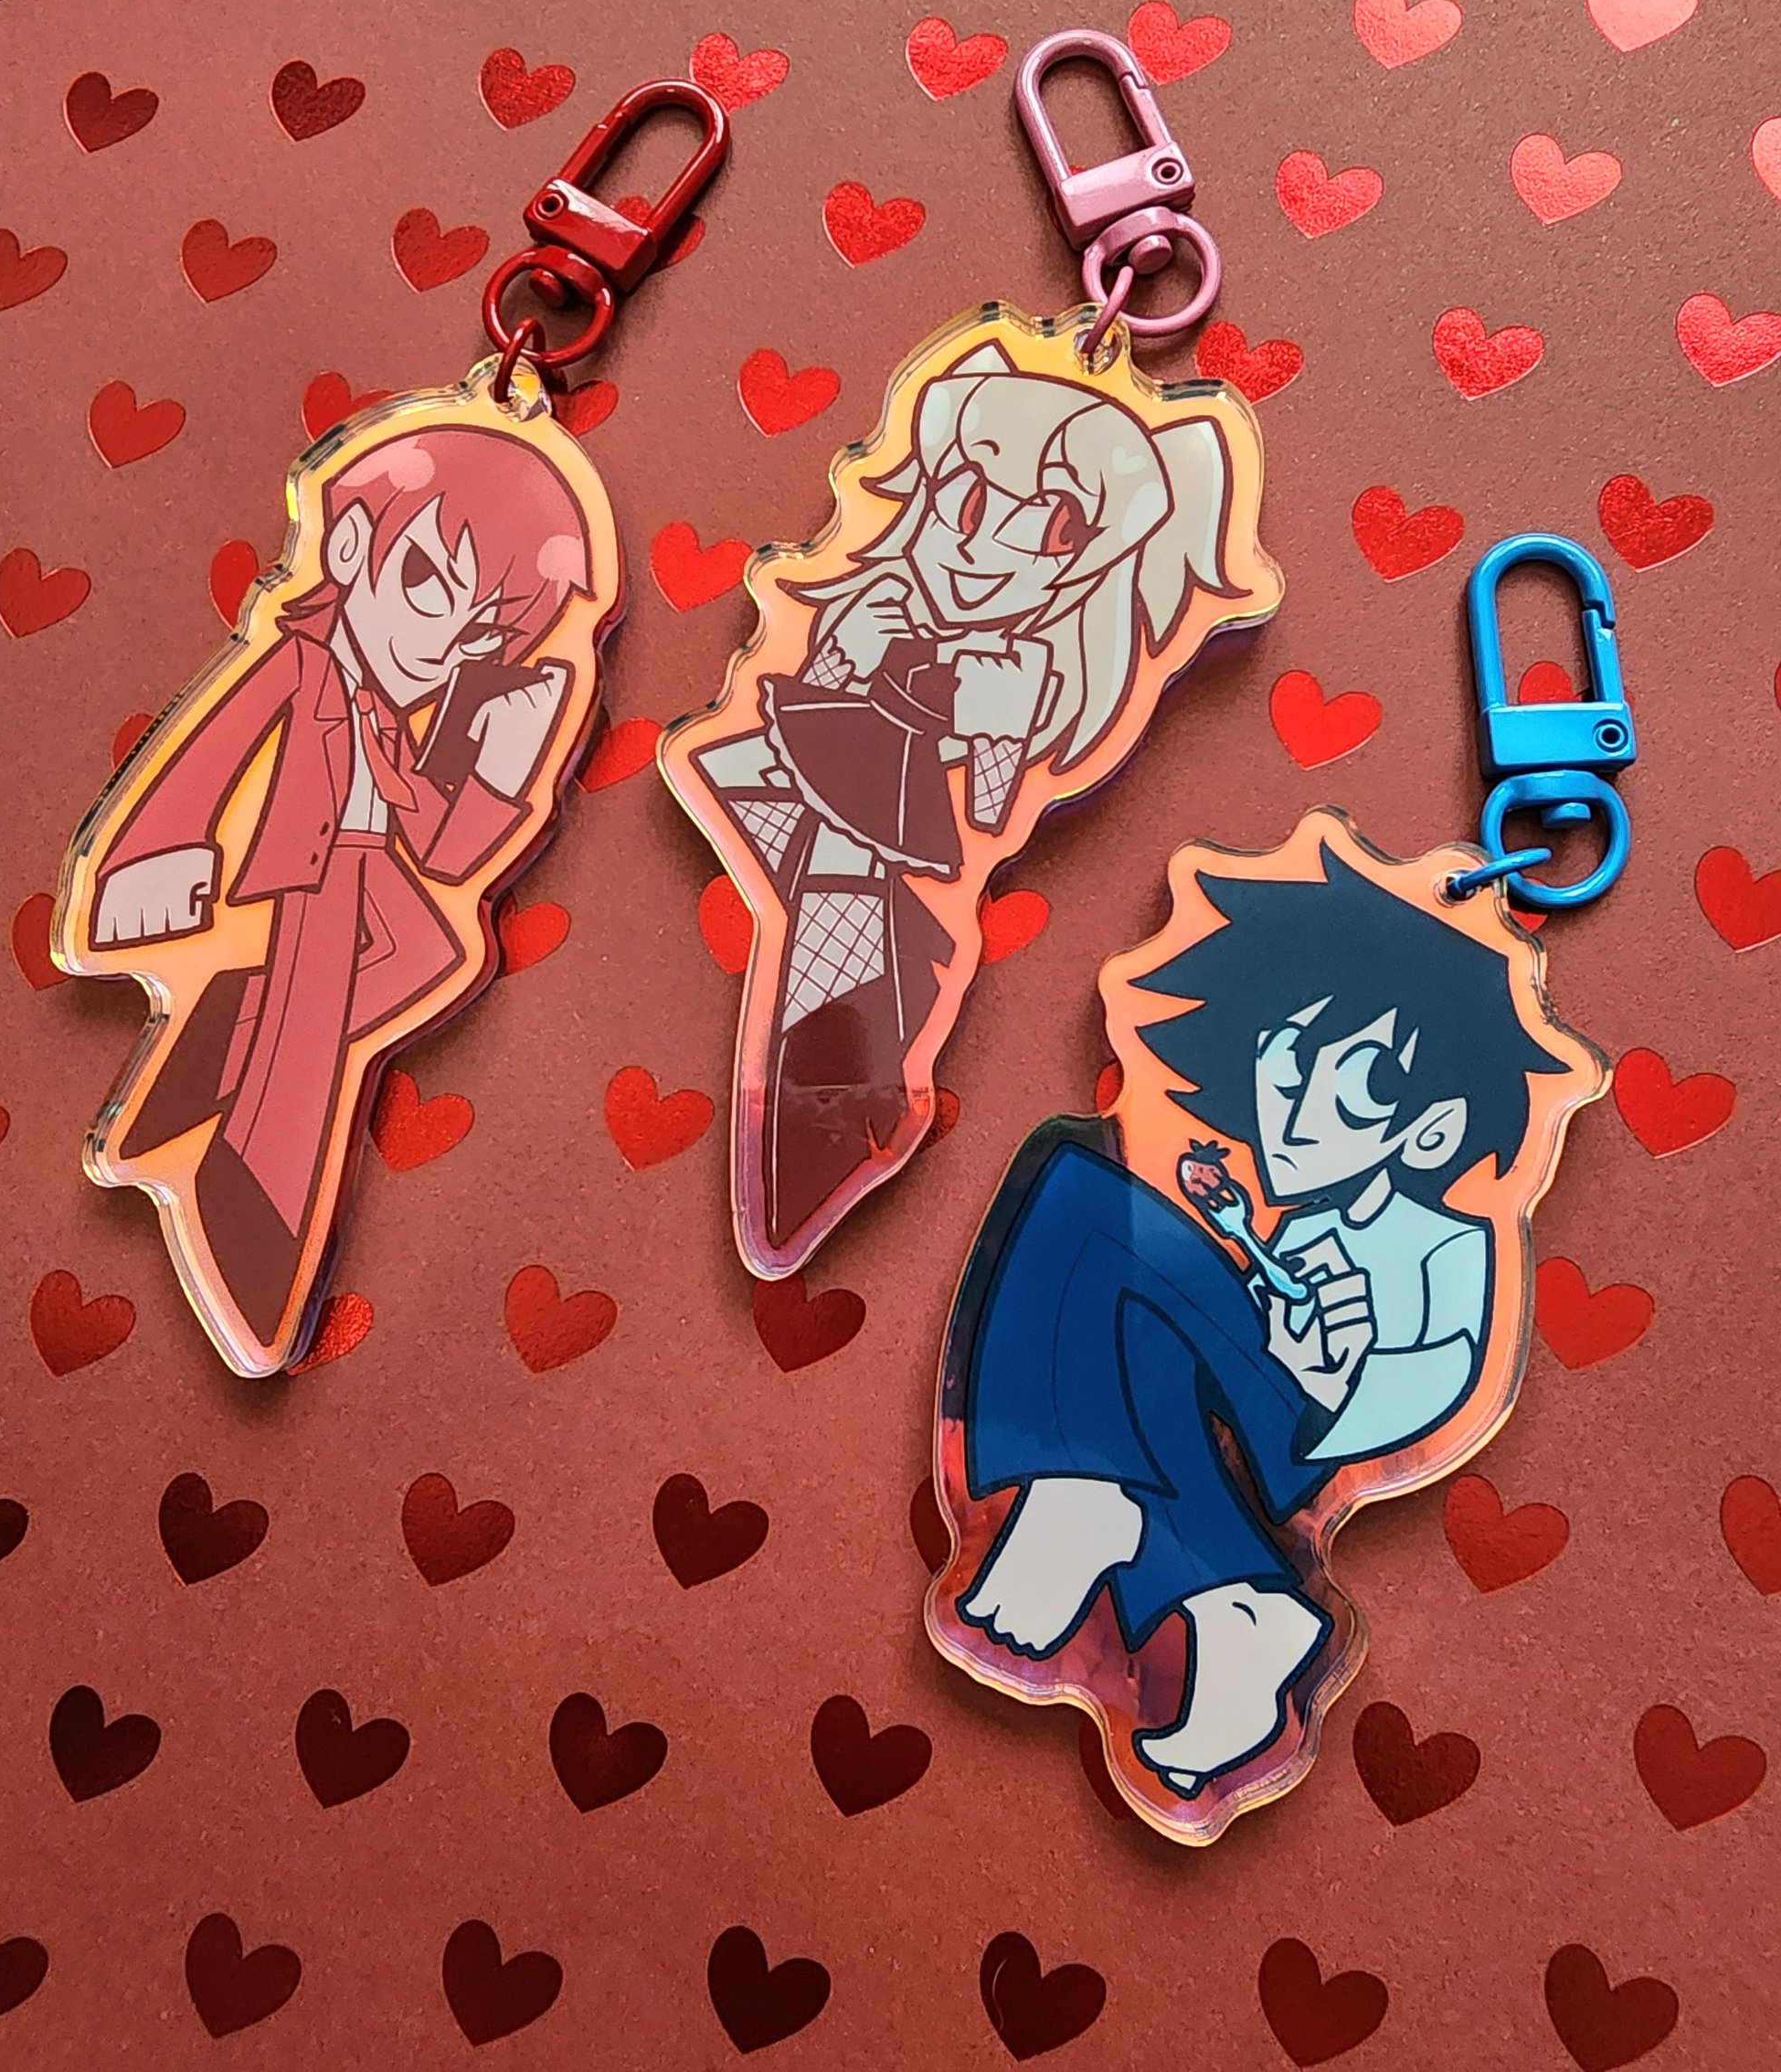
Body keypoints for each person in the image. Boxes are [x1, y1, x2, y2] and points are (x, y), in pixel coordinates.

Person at [954, 848, 1572, 1794]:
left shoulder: (1450, 1241)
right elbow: (1249, 1325)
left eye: (1357, 1087)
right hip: (1264, 1399)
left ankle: (1108, 1509)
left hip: (1320, 1428)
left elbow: (1447, 1367)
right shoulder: (1307, 1218)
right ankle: (1237, 1608)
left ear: (1433, 1130)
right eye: (1284, 1065)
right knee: (1128, 1311)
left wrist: (1340, 1384)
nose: (1296, 1115)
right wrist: (1250, 1263)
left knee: (1083, 1202)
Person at [686, 338, 1235, 1257]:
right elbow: (797, 714)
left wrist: (996, 729)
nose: (985, 545)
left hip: (898, 839)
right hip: (796, 792)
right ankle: (819, 1116)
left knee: (864, 933)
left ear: (1093, 565)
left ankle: (823, 1116)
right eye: (968, 501)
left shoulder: (1025, 673)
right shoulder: (874, 602)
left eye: (1055, 528)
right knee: (831, 914)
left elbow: (990, 817)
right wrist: (848, 653)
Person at [81, 423, 592, 1360]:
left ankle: (196, 1079)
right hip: (306, 881)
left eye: (480, 632)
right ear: (349, 545)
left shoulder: (401, 719)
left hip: (370, 888)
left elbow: (443, 851)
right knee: (304, 1058)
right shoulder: (296, 662)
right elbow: (209, 755)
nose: (440, 645)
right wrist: (149, 860)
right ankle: (250, 1233)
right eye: (429, 584)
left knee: (405, 976)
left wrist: (499, 767)